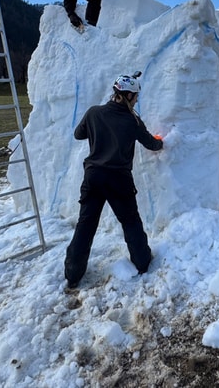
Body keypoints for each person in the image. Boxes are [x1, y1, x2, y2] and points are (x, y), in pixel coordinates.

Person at [64, 71, 164, 289]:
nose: (137, 100)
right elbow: (151, 143)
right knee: (130, 222)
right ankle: (142, 262)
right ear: (128, 96)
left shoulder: (93, 113)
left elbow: (78, 134)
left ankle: (73, 273)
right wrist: (162, 142)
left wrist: (99, 129)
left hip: (93, 177)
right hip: (119, 179)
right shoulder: (133, 121)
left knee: (86, 224)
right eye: (135, 96)